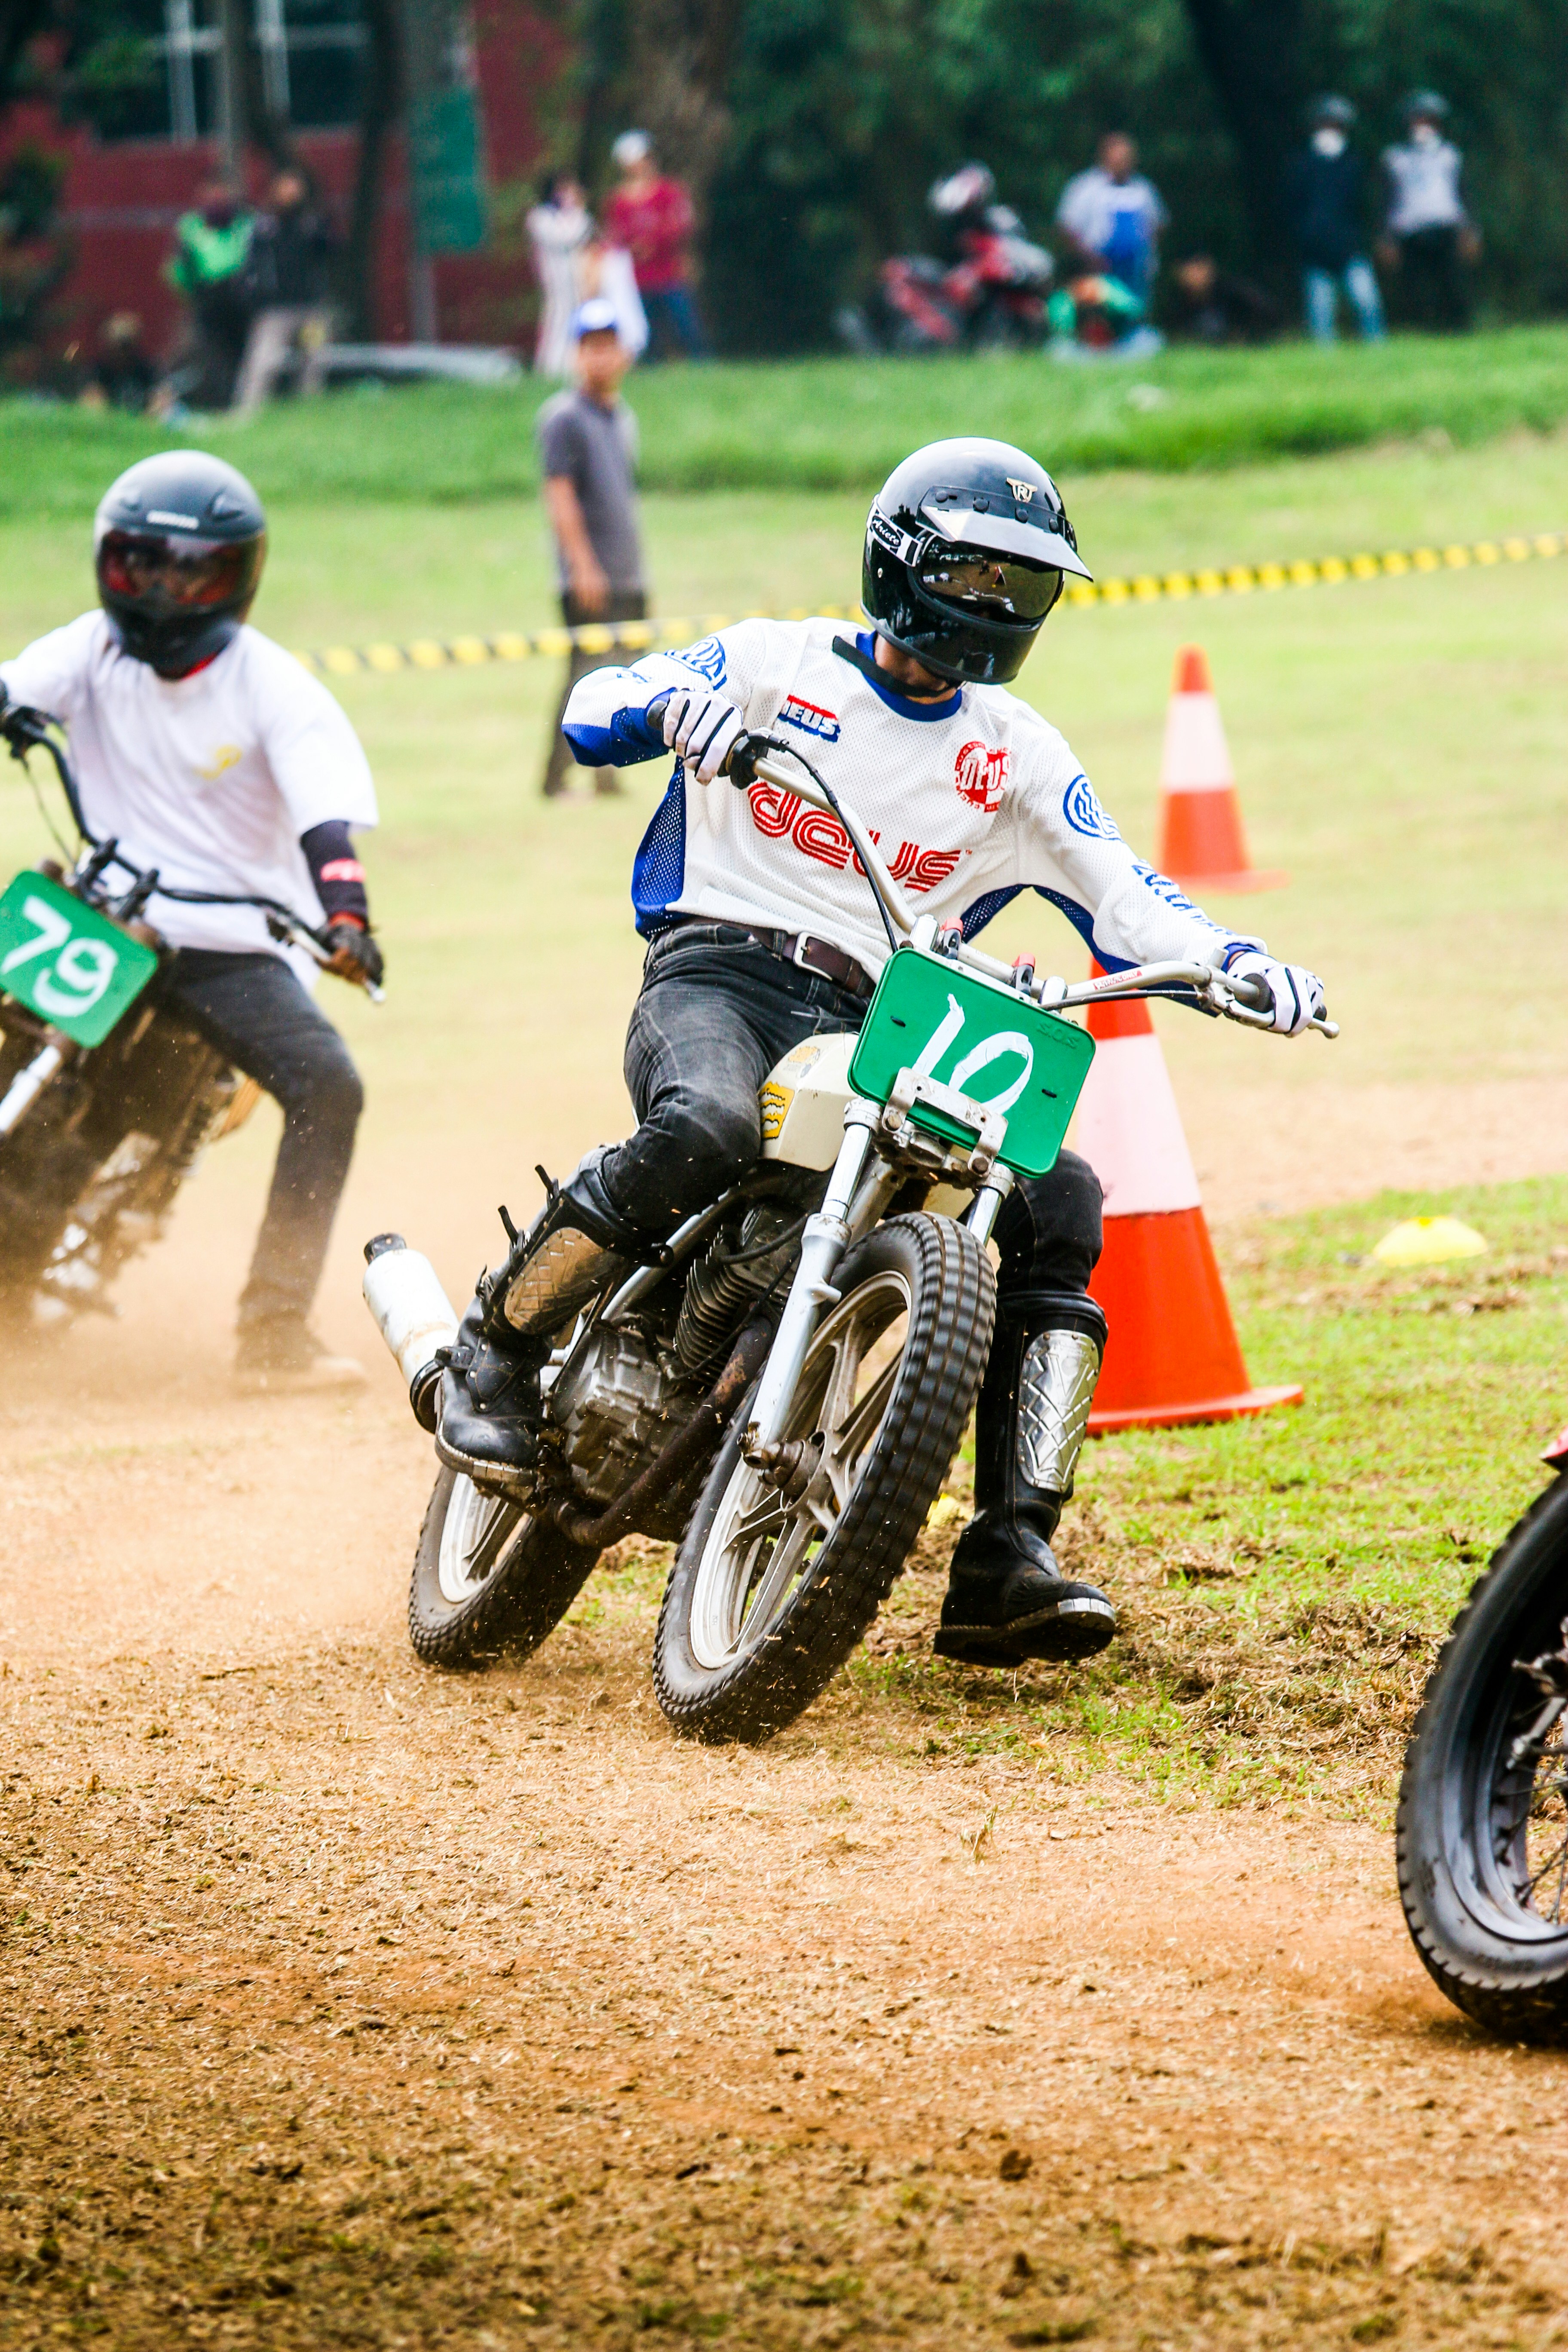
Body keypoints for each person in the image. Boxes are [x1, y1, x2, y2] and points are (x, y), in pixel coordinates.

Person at [436, 437, 1326, 1670]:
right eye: (975, 576)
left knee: (1060, 1198)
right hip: (717, 974)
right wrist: (667, 706)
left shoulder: (1016, 751)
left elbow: (1123, 892)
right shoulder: (773, 662)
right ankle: (502, 1342)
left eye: (1024, 589)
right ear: (902, 564)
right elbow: (596, 706)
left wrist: (1234, 957)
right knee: (703, 1124)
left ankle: (1007, 1557)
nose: (995, 609)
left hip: (887, 1017)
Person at [0, 452, 382, 1392]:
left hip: (224, 946)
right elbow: (18, 682)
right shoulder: (89, 648)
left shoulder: (274, 689)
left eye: (192, 572)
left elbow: (324, 822)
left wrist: (347, 915)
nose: (165, 594)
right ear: (109, 563)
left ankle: (274, 1332)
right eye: (144, 568)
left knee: (329, 1086)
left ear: (237, 578)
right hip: (97, 912)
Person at [536, 297, 648, 799]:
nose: (600, 358)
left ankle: (606, 775)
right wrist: (582, 565)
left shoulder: (621, 416)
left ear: (624, 353)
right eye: (589, 348)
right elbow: (559, 494)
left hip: (626, 572)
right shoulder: (563, 419)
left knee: (621, 677)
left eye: (608, 346)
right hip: (589, 574)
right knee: (583, 677)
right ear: (575, 355)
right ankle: (555, 779)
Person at [232, 168, 339, 416]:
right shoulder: (265, 225)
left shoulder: (314, 221)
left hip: (311, 306)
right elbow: (253, 263)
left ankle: (310, 413)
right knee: (263, 362)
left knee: (315, 361)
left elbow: (331, 250)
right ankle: (247, 412)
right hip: (276, 307)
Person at [1283, 97, 1384, 344]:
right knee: (1321, 314)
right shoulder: (1301, 165)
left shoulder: (1354, 164)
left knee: (1367, 303)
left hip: (1350, 248)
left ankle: (1378, 350)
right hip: (1315, 250)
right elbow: (1292, 207)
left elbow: (1363, 208)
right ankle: (1325, 363)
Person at [1378, 92, 1478, 332]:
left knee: (1452, 284)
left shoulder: (1450, 155)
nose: (1423, 126)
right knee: (1414, 288)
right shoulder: (1395, 157)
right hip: (1410, 230)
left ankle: (1458, 331)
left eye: (1428, 120)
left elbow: (1463, 194)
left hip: (1446, 227)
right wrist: (1386, 237)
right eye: (1417, 120)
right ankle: (1422, 331)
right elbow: (1386, 200)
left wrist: (1472, 230)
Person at [603, 130, 704, 361]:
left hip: (669, 270)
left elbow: (682, 224)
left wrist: (653, 243)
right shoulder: (618, 200)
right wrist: (633, 247)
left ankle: (702, 362)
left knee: (685, 322)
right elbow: (616, 233)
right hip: (637, 274)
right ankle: (652, 366)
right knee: (646, 329)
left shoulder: (669, 191)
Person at [164, 178, 256, 410]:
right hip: (207, 297)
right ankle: (217, 402)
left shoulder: (244, 223)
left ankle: (242, 401)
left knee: (242, 351)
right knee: (210, 353)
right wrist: (190, 293)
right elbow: (179, 266)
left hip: (239, 297)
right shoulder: (192, 225)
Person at [1056, 134, 1166, 310]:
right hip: (1098, 266)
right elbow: (1067, 225)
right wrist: (1087, 257)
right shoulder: (1086, 187)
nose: (1122, 162)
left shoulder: (1143, 188)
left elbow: (1158, 224)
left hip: (1135, 269)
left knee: (1134, 307)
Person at [527, 172, 594, 377]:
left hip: (576, 277)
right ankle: (550, 365)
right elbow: (567, 238)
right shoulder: (540, 217)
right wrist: (578, 215)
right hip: (555, 277)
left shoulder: (575, 216)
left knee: (575, 317)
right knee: (557, 318)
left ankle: (572, 364)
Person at [1169, 254, 1281, 345]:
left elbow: (1267, 315)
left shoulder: (1234, 294)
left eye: (1199, 268)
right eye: (1190, 269)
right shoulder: (1177, 304)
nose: (1196, 275)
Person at [80, 312, 160, 413]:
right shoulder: (98, 370)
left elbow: (159, 398)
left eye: (126, 346)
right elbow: (91, 401)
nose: (122, 353)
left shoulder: (146, 369)